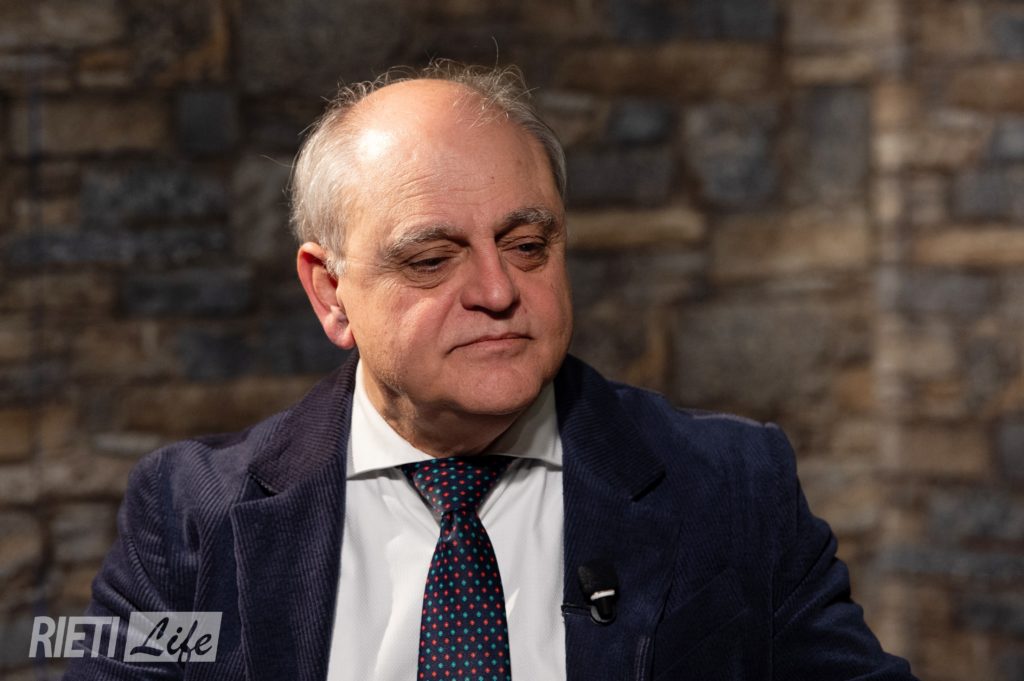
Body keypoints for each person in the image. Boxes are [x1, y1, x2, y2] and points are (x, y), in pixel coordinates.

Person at [64, 61, 917, 680]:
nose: (499, 290)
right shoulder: (189, 516)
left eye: (527, 244)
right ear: (330, 293)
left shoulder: (731, 489)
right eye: (432, 259)